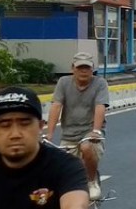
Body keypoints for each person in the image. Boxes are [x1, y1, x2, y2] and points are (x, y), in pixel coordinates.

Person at [46, 52, 110, 200]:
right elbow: (56, 106)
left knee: (86, 147)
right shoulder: (63, 82)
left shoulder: (100, 83)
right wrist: (49, 133)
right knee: (61, 169)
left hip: (90, 133)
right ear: (72, 68)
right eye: (80, 67)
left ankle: (92, 181)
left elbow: (100, 107)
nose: (83, 71)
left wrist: (95, 130)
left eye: (87, 68)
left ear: (92, 69)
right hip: (69, 134)